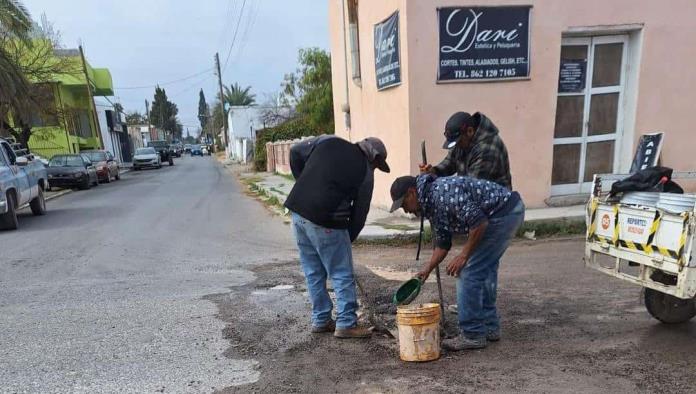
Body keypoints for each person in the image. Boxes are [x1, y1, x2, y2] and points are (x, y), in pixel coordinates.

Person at [389, 173, 524, 350]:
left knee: (468, 272)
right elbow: (443, 243)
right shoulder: (430, 203)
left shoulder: (442, 194)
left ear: (412, 193)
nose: (406, 210)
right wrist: (427, 269)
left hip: (502, 214)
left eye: (404, 204)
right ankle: (489, 327)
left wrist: (463, 256)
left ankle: (472, 334)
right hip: (503, 212)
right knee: (485, 269)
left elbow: (479, 223)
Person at [285, 135, 390, 338]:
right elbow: (360, 213)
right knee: (341, 272)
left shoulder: (327, 141)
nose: (375, 169)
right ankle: (346, 323)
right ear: (374, 157)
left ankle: (321, 319)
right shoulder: (364, 171)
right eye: (377, 165)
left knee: (313, 271)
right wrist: (346, 241)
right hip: (326, 220)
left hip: (298, 212)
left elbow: (294, 151)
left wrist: (305, 182)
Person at [420, 112, 512, 190]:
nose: (457, 146)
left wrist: (437, 186)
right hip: (478, 200)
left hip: (500, 206)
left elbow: (471, 186)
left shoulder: (487, 149)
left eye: (458, 142)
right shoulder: (463, 142)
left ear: (470, 131)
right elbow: (450, 163)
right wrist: (434, 171)